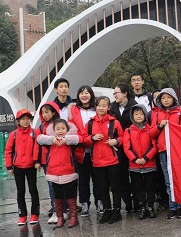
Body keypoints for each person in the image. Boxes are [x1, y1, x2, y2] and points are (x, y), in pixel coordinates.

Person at [83, 96, 125, 224]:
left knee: (115, 186)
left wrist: (116, 141)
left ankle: (116, 210)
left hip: (112, 159)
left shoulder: (114, 122)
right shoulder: (90, 123)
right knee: (102, 187)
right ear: (95, 106)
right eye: (99, 105)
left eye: (104, 105)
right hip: (97, 160)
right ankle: (107, 210)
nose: (101, 108)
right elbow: (84, 139)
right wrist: (92, 138)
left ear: (108, 107)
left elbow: (123, 137)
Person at [150, 88, 181, 219]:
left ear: (174, 99)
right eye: (163, 98)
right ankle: (173, 206)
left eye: (168, 97)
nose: (166, 100)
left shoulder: (180, 115)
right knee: (168, 181)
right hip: (163, 151)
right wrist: (159, 126)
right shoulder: (156, 115)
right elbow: (152, 133)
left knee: (179, 179)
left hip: (177, 152)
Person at [42, 118, 81, 228]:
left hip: (68, 172)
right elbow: (39, 139)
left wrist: (67, 139)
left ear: (67, 129)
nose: (60, 131)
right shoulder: (50, 141)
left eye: (63, 128)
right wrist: (52, 140)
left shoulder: (70, 141)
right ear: (53, 130)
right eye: (57, 129)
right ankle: (60, 217)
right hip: (54, 173)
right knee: (57, 196)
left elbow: (80, 139)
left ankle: (74, 218)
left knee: (70, 195)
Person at [67, 85, 100, 217]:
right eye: (81, 93)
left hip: (97, 149)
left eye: (87, 93)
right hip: (81, 150)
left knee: (98, 179)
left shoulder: (97, 108)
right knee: (83, 180)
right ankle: (85, 203)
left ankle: (100, 202)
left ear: (91, 95)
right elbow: (71, 128)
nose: (84, 95)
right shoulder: (74, 110)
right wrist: (86, 139)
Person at [5, 109, 40, 226]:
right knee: (20, 192)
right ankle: (22, 215)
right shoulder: (13, 134)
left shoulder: (35, 133)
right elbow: (8, 150)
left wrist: (36, 161)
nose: (26, 121)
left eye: (28, 119)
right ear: (18, 121)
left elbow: (38, 148)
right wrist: (9, 166)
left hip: (31, 166)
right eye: (23, 119)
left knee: (33, 190)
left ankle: (35, 214)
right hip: (18, 167)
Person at [123, 104, 158, 219]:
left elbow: (154, 146)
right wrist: (135, 159)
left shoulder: (150, 130)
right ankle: (142, 207)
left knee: (150, 187)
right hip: (135, 166)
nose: (139, 116)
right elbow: (126, 147)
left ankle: (150, 207)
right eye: (136, 114)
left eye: (141, 113)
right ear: (132, 116)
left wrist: (146, 158)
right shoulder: (128, 130)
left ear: (145, 115)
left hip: (149, 164)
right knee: (138, 188)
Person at [110, 83, 138, 213]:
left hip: (134, 145)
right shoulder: (112, 108)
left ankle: (138, 201)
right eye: (114, 93)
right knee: (122, 176)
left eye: (117, 92)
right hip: (118, 146)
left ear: (125, 93)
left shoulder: (134, 106)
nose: (115, 95)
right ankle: (127, 202)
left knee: (136, 174)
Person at [34, 101, 62, 224]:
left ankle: (63, 209)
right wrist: (37, 160)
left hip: (60, 159)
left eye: (47, 112)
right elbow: (37, 145)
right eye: (43, 113)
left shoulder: (60, 125)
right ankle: (56, 210)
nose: (44, 115)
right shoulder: (41, 127)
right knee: (52, 186)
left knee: (63, 185)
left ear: (54, 112)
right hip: (46, 161)